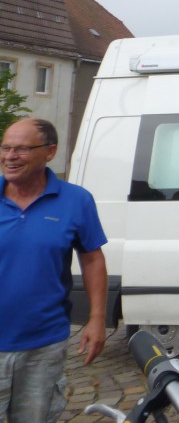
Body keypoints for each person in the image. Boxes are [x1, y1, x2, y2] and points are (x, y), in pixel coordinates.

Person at [0, 118, 108, 423]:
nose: (10, 156)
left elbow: (92, 259)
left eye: (21, 149)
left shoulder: (76, 201)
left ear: (50, 152)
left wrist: (97, 319)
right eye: (6, 147)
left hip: (43, 344)